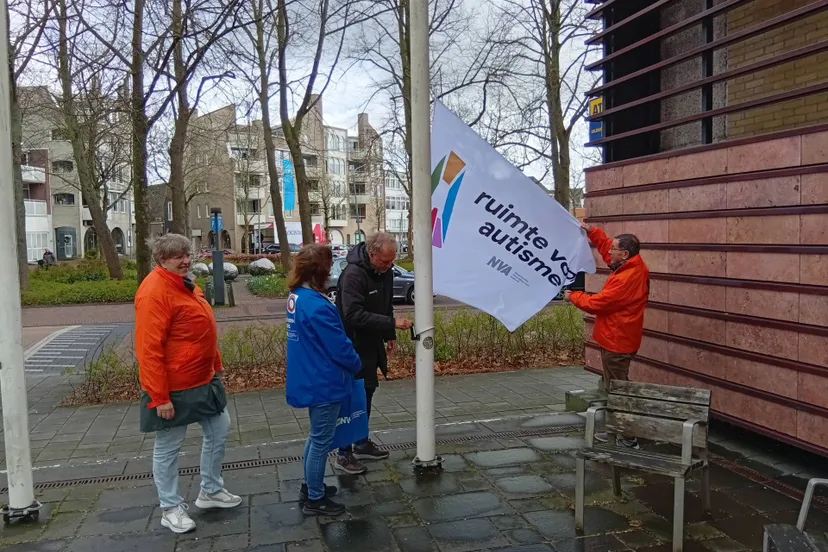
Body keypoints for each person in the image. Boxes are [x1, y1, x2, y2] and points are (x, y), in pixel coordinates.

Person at [136, 234, 241, 534]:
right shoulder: (154, 293)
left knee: (220, 428)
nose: (185, 260)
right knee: (169, 446)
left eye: (186, 254)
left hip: (203, 379)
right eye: (176, 256)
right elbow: (148, 349)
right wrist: (160, 397)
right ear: (161, 260)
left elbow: (202, 329)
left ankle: (210, 490)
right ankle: (170, 508)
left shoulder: (186, 284)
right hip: (174, 386)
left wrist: (216, 364)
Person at [285, 244, 363, 516]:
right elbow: (339, 346)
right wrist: (356, 363)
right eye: (328, 268)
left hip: (308, 376)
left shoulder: (296, 297)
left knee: (315, 436)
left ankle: (311, 485)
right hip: (324, 381)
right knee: (321, 440)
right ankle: (315, 499)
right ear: (318, 271)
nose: (331, 273)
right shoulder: (317, 305)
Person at [564, 223, 649, 449]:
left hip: (617, 342)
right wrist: (592, 231)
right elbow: (605, 248)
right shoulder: (630, 266)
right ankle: (620, 432)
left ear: (624, 254)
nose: (609, 253)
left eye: (614, 250)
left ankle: (627, 437)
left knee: (618, 388)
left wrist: (573, 296)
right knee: (616, 386)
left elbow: (598, 303)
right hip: (617, 338)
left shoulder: (626, 278)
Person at [334, 232, 413, 474]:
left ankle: (361, 441)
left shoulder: (385, 273)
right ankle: (343, 452)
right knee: (352, 398)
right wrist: (391, 324)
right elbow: (352, 314)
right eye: (385, 261)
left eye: (392, 262)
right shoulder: (353, 275)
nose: (389, 267)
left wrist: (390, 335)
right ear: (371, 254)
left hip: (371, 344)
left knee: (367, 393)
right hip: (352, 345)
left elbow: (385, 303)